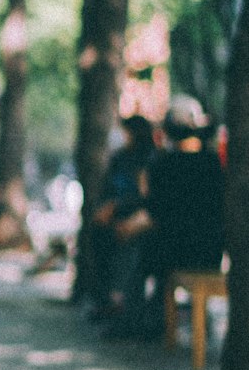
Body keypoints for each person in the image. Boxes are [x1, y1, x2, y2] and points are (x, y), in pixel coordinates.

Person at [113, 95, 225, 337]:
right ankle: (167, 319)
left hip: (173, 250)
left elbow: (155, 211)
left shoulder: (164, 164)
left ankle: (132, 321)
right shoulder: (215, 163)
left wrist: (127, 227)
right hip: (211, 251)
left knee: (139, 253)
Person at [89, 114, 156, 324]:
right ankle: (106, 300)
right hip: (114, 217)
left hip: (138, 219)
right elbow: (108, 190)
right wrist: (107, 209)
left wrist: (119, 208)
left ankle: (124, 303)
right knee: (100, 238)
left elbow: (147, 198)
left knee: (129, 247)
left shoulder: (150, 160)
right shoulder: (118, 158)